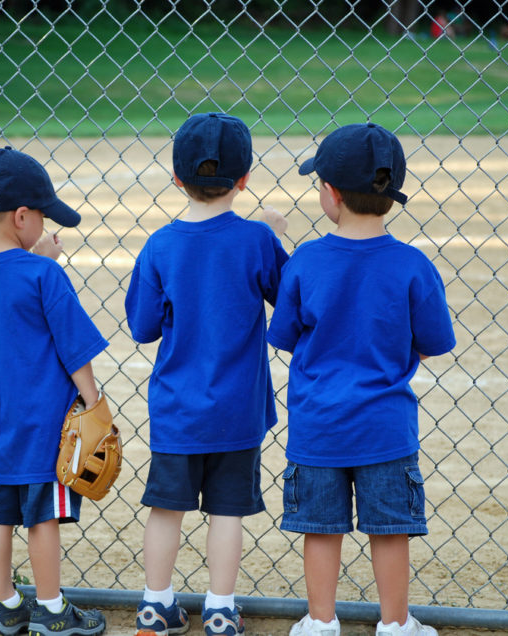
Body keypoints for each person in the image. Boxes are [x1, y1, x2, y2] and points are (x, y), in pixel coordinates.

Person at [267, 123, 456, 636]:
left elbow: (283, 334)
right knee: (391, 530)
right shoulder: (414, 265)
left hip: (318, 426)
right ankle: (395, 624)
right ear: (391, 194)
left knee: (321, 529)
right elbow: (434, 341)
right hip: (385, 427)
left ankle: (321, 622)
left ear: (329, 193)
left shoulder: (305, 260)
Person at [125, 112, 289, 636]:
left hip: (177, 408)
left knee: (165, 508)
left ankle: (155, 605)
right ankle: (220, 609)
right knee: (226, 513)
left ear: (177, 178)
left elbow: (143, 327)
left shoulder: (160, 245)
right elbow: (286, 305)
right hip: (237, 408)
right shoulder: (255, 241)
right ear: (244, 180)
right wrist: (274, 238)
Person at [0, 147, 109, 636]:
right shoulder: (46, 273)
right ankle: (50, 609)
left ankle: (2, 605)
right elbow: (74, 348)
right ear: (21, 216)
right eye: (41, 216)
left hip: (3, 422)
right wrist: (93, 402)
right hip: (50, 424)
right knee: (44, 517)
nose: (46, 225)